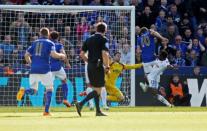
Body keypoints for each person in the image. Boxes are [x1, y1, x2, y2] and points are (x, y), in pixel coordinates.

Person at [16, 27, 66, 116]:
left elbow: (26, 55)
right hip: (45, 69)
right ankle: (46, 111)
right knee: (49, 89)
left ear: (40, 33)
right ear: (48, 34)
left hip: (34, 69)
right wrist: (62, 55)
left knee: (33, 91)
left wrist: (31, 63)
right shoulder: (50, 43)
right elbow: (54, 55)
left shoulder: (34, 43)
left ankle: (24, 91)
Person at [75, 22, 110, 116]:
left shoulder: (89, 39)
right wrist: (107, 66)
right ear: (105, 30)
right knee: (98, 90)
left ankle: (98, 111)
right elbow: (105, 54)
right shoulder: (104, 39)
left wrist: (89, 62)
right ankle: (81, 103)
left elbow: (81, 54)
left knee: (95, 88)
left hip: (90, 66)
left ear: (96, 29)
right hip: (98, 66)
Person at [49, 31, 71, 107]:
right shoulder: (59, 45)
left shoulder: (48, 44)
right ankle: (65, 99)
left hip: (49, 68)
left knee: (49, 87)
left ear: (50, 37)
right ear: (57, 38)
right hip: (58, 68)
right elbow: (64, 55)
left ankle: (47, 104)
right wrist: (67, 63)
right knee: (64, 81)